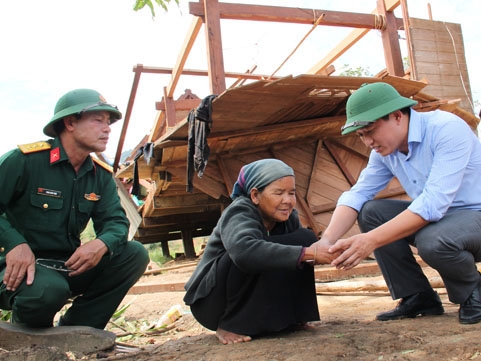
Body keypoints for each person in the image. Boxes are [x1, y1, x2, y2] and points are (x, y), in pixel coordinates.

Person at [319, 82, 481, 324]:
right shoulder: (384, 152)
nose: (367, 141)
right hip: (441, 220)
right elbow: (358, 193)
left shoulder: (446, 129)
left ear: (397, 116)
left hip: (474, 215)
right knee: (371, 211)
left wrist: (370, 240)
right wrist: (327, 241)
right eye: (361, 135)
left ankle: (473, 291)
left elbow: (432, 204)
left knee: (433, 240)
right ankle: (417, 295)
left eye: (370, 131)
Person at [0, 88, 150, 329]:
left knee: (134, 255)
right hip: (13, 267)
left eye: (109, 122)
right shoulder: (24, 161)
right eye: (98, 120)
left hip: (65, 265)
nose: (107, 128)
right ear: (70, 123)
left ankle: (78, 330)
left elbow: (116, 223)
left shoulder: (99, 176)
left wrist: (100, 244)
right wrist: (14, 244)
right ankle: (25, 334)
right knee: (47, 290)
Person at [183, 158, 335, 344]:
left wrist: (324, 252)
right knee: (253, 251)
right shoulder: (239, 211)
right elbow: (244, 252)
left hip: (238, 291)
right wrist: (308, 254)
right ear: (255, 195)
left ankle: (293, 317)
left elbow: (294, 254)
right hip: (212, 303)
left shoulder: (287, 217)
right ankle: (230, 324)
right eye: (278, 193)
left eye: (291, 193)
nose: (287, 201)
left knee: (304, 240)